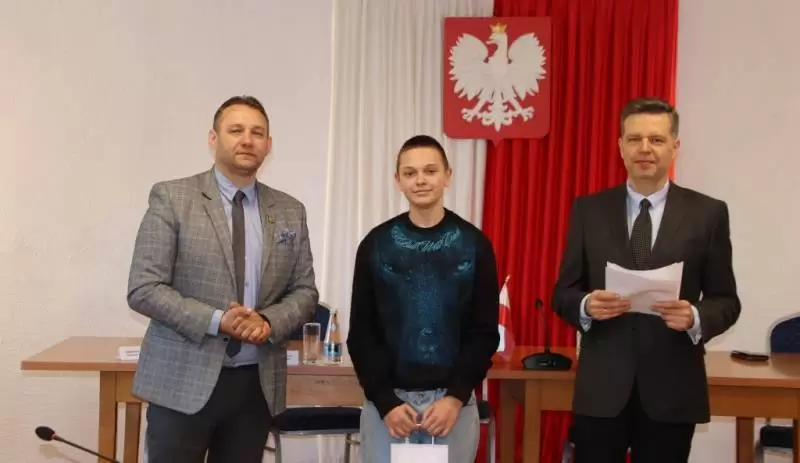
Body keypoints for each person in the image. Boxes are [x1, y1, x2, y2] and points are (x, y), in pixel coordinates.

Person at [127, 95, 318, 463]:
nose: (247, 140)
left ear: (268, 145)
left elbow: (305, 290)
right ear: (213, 139)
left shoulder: (290, 210)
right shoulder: (173, 197)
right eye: (236, 130)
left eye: (257, 133)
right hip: (182, 381)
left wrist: (267, 322)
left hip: (254, 387)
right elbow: (144, 287)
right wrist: (218, 321)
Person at [552, 97, 741, 463]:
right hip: (602, 389)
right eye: (634, 139)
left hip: (673, 389)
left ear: (675, 146)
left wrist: (695, 317)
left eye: (656, 139)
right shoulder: (589, 210)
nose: (644, 149)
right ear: (620, 146)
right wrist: (586, 305)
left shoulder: (708, 214)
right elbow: (563, 293)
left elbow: (727, 301)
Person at [346, 135, 500, 463]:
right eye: (410, 172)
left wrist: (455, 397)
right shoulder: (375, 245)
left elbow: (485, 332)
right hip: (388, 409)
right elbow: (361, 333)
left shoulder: (475, 245)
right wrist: (385, 402)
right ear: (398, 180)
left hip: (451, 409)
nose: (420, 180)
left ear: (448, 175)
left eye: (430, 171)